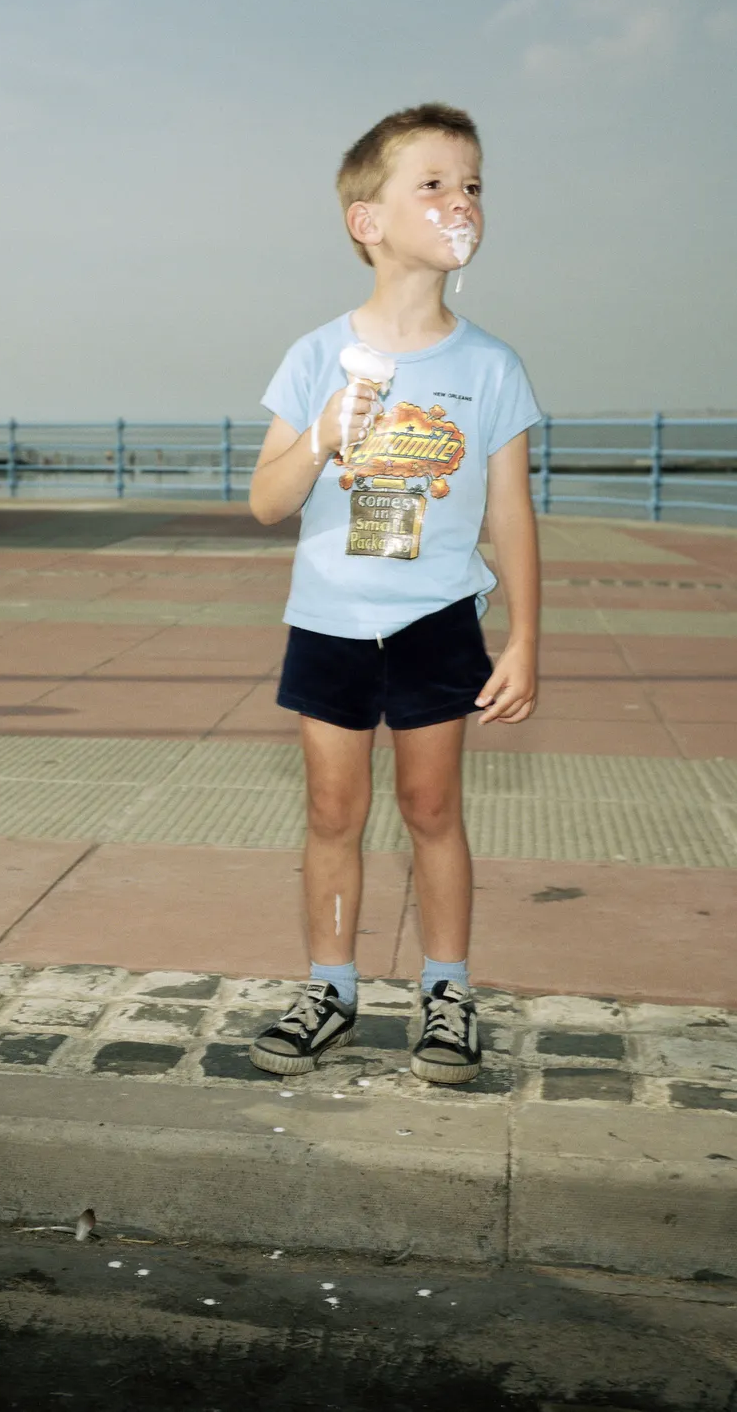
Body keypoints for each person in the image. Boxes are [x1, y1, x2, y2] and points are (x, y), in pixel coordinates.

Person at [245, 103, 542, 1087]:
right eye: (433, 184)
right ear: (364, 221)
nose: (459, 200)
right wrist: (324, 430)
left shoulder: (488, 366)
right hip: (327, 618)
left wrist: (524, 637)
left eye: (471, 185)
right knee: (332, 812)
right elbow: (263, 501)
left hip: (436, 619)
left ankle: (445, 991)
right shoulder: (311, 356)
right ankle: (329, 988)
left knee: (430, 808)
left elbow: (510, 514)